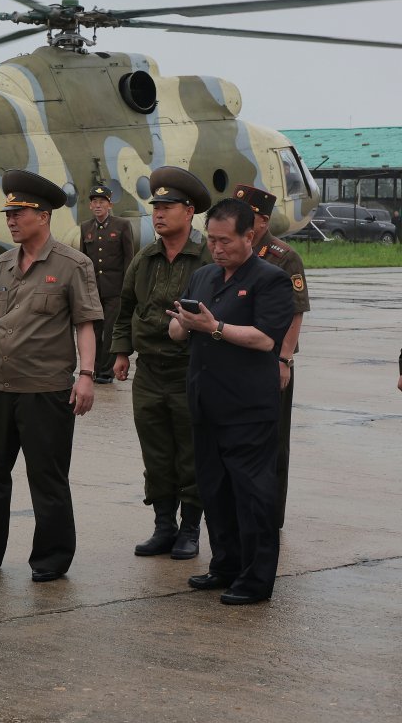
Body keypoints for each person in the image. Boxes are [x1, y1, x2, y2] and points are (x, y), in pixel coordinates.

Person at [0, 170, 102, 582]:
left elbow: (85, 323)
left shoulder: (73, 265)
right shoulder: (0, 266)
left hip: (46, 391)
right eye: (9, 213)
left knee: (46, 478)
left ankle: (50, 559)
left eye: (19, 213)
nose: (11, 220)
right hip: (0, 386)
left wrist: (86, 375)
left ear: (43, 216)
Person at [169, 198, 294, 605]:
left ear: (249, 235)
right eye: (212, 240)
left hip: (247, 409)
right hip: (206, 403)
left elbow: (265, 339)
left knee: (252, 494)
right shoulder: (203, 276)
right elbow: (178, 332)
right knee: (215, 490)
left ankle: (256, 580)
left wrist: (215, 327)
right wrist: (181, 324)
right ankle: (225, 565)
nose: (217, 248)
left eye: (226, 241)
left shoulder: (269, 279)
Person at [110, 167, 212, 559]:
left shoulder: (205, 258)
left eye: (168, 206)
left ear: (189, 212)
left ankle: (190, 529)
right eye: (156, 206)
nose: (159, 213)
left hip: (191, 370)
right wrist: (121, 352)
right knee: (155, 452)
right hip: (149, 373)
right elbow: (125, 309)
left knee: (191, 451)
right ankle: (163, 526)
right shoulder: (144, 258)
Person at [234, 185, 311, 529]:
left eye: (245, 216)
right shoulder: (234, 250)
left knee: (272, 442)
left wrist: (284, 360)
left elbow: (296, 313)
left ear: (262, 221)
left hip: (270, 361)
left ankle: (270, 517)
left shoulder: (283, 256)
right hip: (236, 355)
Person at [79, 186, 133, 384]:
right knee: (94, 331)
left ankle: (106, 372)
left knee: (110, 330)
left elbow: (129, 257)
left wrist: (128, 286)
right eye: (94, 201)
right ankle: (91, 369)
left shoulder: (122, 225)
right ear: (91, 205)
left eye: (102, 201)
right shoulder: (86, 227)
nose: (98, 205)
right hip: (93, 289)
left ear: (110, 204)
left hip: (115, 288)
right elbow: (84, 259)